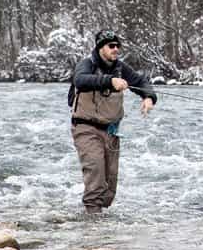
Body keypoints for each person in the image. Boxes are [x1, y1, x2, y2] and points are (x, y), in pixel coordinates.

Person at [68, 29, 158, 214]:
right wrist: (110, 81)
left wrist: (148, 97)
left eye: (118, 46)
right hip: (86, 128)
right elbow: (80, 80)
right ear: (101, 47)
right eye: (111, 46)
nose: (116, 49)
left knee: (109, 187)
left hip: (111, 130)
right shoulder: (87, 64)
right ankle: (94, 228)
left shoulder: (120, 67)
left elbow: (140, 82)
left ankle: (100, 223)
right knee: (96, 174)